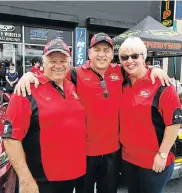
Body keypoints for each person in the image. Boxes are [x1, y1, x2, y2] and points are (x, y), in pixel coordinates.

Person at [13, 33, 171, 193]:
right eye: (97, 50)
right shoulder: (74, 73)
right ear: (89, 53)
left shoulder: (121, 72)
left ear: (112, 54)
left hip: (113, 152)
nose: (101, 54)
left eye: (106, 50)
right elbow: (51, 72)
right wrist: (28, 75)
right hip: (85, 154)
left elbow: (139, 68)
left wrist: (155, 69)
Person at [2, 39, 86, 193]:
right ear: (42, 62)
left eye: (63, 60)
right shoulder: (27, 90)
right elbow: (10, 138)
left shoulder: (71, 85)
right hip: (41, 179)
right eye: (52, 61)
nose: (58, 65)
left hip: (71, 176)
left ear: (70, 62)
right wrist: (26, 179)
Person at [118, 37, 182, 193]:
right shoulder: (121, 81)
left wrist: (162, 154)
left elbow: (174, 123)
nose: (129, 61)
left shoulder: (161, 85)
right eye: (125, 57)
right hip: (128, 158)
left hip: (154, 160)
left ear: (144, 57)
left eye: (135, 56)